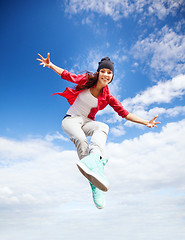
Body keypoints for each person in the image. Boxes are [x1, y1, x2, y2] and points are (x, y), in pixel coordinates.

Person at [37, 53, 160, 209]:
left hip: (87, 122)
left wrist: (146, 122)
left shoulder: (108, 97)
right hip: (70, 120)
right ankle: (93, 179)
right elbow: (68, 75)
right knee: (81, 140)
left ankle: (96, 162)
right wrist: (51, 65)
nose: (106, 75)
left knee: (103, 127)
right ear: (98, 72)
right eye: (103, 71)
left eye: (109, 73)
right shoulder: (87, 80)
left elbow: (125, 113)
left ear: (112, 77)